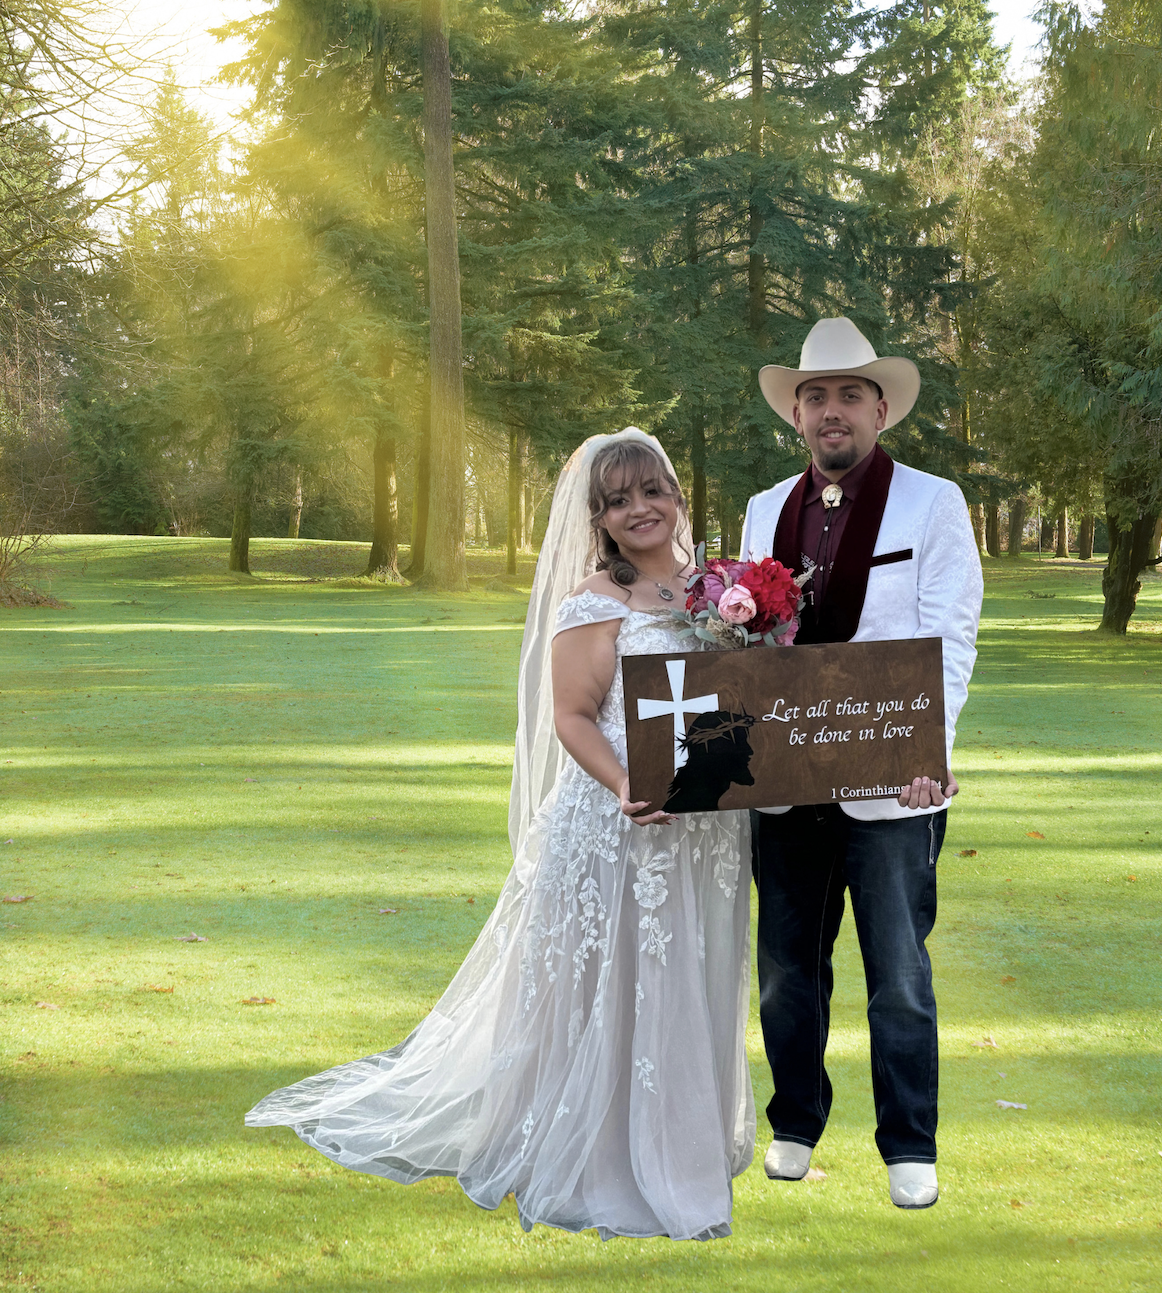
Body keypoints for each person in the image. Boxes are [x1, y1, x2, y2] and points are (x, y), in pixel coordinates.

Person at [246, 429, 755, 1241]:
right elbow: (571, 716)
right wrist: (628, 786)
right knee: (610, 979)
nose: (639, 510)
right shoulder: (595, 600)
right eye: (618, 501)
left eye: (651, 491)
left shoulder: (723, 593)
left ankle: (678, 1140)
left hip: (703, 830)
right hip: (620, 821)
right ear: (599, 519)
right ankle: (597, 1154)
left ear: (677, 497)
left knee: (681, 968)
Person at [740, 317, 983, 1210]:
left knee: (899, 973)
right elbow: (747, 644)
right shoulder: (765, 509)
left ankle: (908, 1142)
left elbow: (949, 638)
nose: (831, 411)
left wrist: (932, 754)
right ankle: (796, 1123)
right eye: (815, 396)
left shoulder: (934, 503)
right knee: (786, 969)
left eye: (848, 395)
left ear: (880, 407)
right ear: (795, 415)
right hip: (789, 779)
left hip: (896, 780)